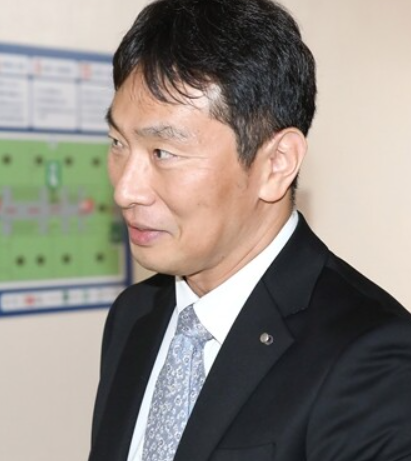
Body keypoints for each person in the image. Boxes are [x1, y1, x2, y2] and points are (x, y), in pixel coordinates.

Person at [88, 0, 411, 460]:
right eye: (118, 143)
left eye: (163, 152)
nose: (125, 190)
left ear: (276, 164)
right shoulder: (134, 314)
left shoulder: (371, 358)